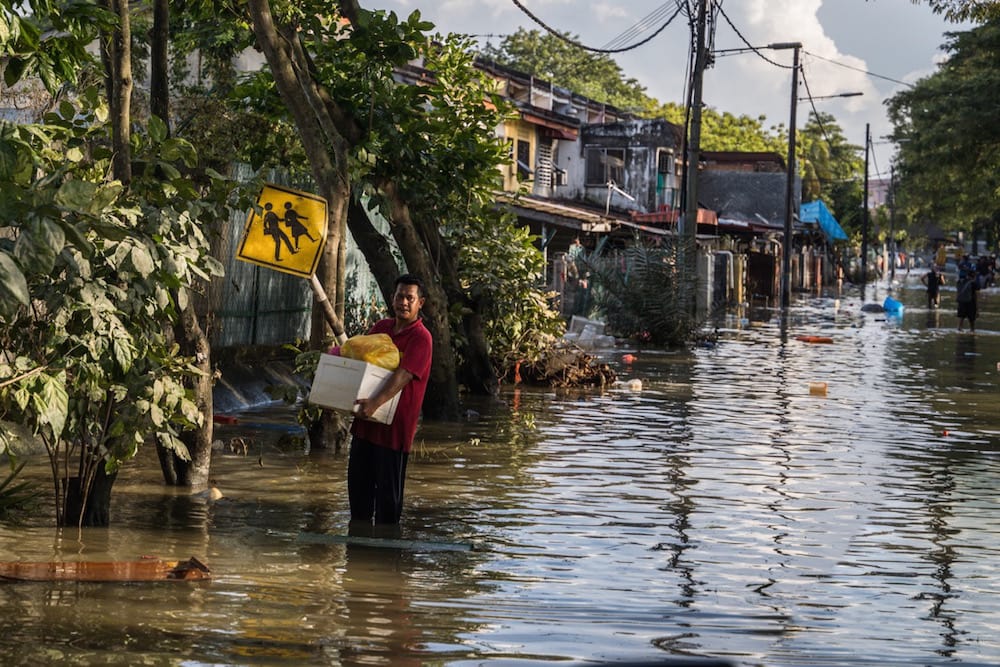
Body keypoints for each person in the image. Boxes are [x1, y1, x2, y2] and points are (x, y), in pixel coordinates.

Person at [345, 274, 433, 525]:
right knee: (358, 501)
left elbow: (403, 376)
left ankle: (385, 557)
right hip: (365, 425)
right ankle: (357, 554)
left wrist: (374, 403)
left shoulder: (421, 338)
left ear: (420, 303)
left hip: (394, 432)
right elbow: (359, 362)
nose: (403, 302)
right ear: (392, 299)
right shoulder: (381, 328)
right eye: (399, 296)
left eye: (409, 297)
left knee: (388, 506)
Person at [956, 268, 981, 333]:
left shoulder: (961, 281)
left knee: (961, 318)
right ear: (974, 276)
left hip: (961, 302)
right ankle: (972, 332)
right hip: (971, 303)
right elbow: (976, 295)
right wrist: (977, 309)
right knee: (971, 320)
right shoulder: (974, 283)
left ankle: (959, 330)